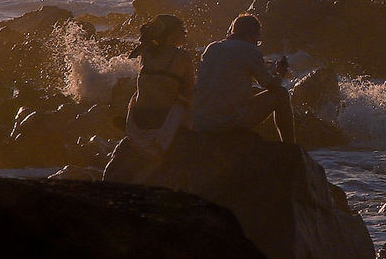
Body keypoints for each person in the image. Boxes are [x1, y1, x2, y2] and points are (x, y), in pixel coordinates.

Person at [104, 14, 194, 182]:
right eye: (183, 30)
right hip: (161, 121)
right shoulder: (182, 57)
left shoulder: (145, 52)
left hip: (137, 119)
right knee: (187, 105)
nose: (185, 34)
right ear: (174, 32)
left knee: (140, 93)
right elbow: (189, 92)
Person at [192, 13, 295, 143]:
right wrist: (280, 73)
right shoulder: (250, 50)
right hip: (226, 123)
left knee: (248, 90)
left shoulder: (212, 48)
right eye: (257, 40)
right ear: (253, 35)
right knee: (281, 94)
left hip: (200, 121)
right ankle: (289, 147)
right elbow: (270, 85)